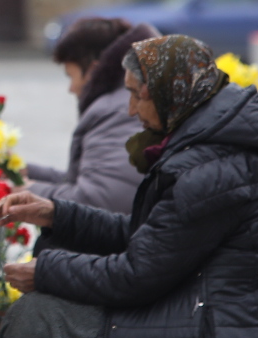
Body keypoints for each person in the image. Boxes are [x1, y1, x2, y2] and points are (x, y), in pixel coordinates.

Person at [0, 34, 258, 338]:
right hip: (208, 319)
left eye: (138, 95)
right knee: (50, 279)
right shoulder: (209, 143)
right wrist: (58, 214)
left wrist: (44, 272)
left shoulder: (208, 166)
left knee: (41, 314)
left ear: (173, 90)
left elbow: (137, 274)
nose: (131, 109)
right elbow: (150, 237)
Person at [24, 18, 159, 219]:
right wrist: (29, 171)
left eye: (71, 76)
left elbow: (99, 199)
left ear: (94, 70)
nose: (71, 89)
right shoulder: (122, 100)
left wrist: (25, 191)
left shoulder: (116, 110)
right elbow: (94, 178)